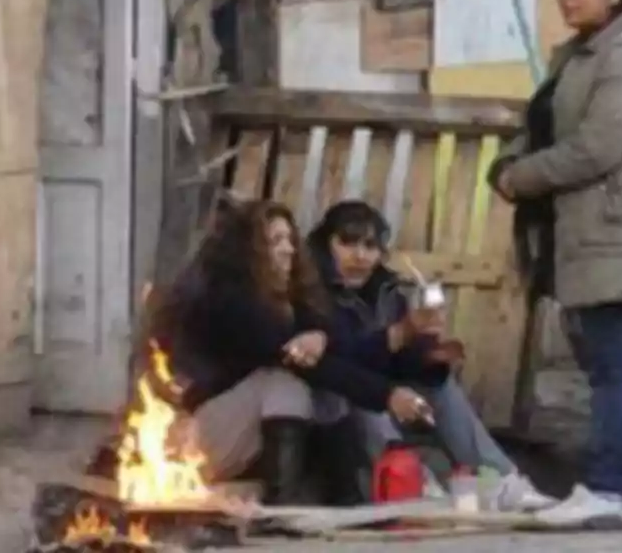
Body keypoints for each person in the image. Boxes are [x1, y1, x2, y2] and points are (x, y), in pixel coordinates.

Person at [488, 0, 622, 528]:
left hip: (609, 230)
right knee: (600, 361)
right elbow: (545, 123)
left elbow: (597, 147)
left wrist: (522, 178)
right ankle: (615, 483)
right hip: (579, 231)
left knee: (610, 362)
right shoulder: (579, 54)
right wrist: (511, 162)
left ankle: (611, 485)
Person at [140, 197, 431, 505]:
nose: (289, 249)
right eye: (275, 241)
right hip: (194, 443)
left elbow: (338, 355)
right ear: (247, 251)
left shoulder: (293, 300)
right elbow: (306, 364)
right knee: (283, 383)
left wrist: (331, 338)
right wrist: (387, 395)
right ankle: (282, 504)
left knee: (326, 389)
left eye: (290, 239)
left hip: (239, 444)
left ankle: (346, 496)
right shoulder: (230, 302)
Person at [306, 199, 554, 512]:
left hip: (382, 389)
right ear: (326, 244)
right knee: (365, 393)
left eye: (370, 246)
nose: (360, 256)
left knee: (439, 386)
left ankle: (502, 482)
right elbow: (340, 361)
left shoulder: (385, 289)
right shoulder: (312, 288)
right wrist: (400, 334)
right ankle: (412, 484)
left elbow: (395, 360)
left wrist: (427, 358)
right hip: (334, 399)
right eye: (347, 242)